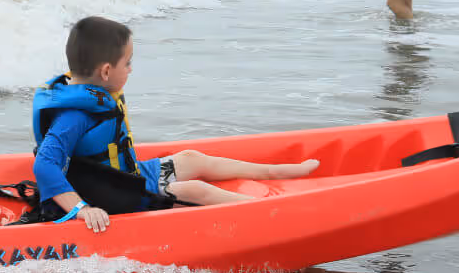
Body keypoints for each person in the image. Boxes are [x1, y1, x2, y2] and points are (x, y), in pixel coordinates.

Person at [30, 17, 319, 233]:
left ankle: (274, 171)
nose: (130, 69)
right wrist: (82, 210)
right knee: (194, 190)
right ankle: (272, 214)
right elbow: (45, 165)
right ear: (106, 71)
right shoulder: (74, 116)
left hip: (125, 177)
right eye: (127, 63)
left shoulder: (94, 95)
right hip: (110, 196)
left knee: (191, 159)